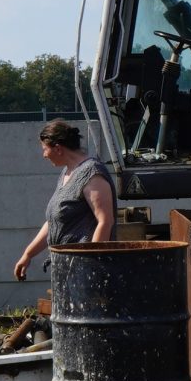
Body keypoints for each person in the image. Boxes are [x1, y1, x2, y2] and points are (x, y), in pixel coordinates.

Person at [13, 118, 117, 280]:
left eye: (44, 149)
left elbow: (105, 221)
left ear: (58, 149)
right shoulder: (67, 173)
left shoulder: (91, 173)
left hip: (85, 271)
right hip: (67, 267)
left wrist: (92, 265)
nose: (44, 155)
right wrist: (28, 254)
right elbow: (54, 221)